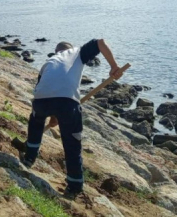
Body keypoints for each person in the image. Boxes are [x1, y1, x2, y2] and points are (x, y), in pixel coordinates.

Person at [21, 39, 123, 198]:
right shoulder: (77, 52)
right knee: (72, 142)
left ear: (57, 51)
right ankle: (74, 186)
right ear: (70, 48)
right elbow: (100, 42)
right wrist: (114, 67)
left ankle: (29, 157)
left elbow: (47, 90)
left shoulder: (49, 62)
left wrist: (53, 116)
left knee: (36, 123)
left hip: (41, 101)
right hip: (67, 103)